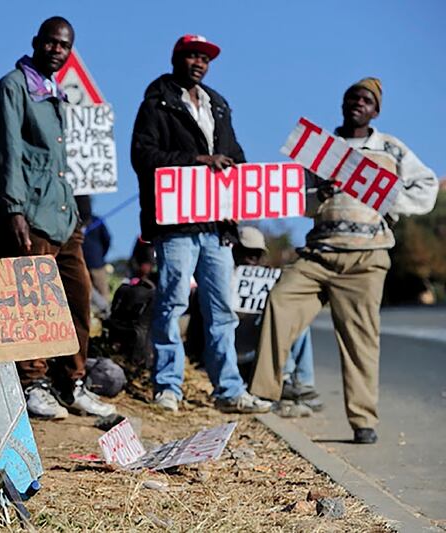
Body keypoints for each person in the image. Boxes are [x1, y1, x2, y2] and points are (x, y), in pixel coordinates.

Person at [251, 78, 439, 444]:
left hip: (366, 258)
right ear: (342, 104)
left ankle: (363, 420)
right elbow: (301, 203)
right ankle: (263, 395)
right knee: (279, 303)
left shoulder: (390, 148)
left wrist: (387, 198)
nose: (358, 103)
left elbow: (427, 186)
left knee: (360, 338)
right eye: (352, 98)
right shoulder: (323, 151)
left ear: (376, 110)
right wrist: (317, 194)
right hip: (319, 254)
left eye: (366, 100)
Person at [0, 16, 115, 419]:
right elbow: (4, 153)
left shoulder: (55, 95)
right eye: (52, 43)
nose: (58, 50)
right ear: (37, 42)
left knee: (77, 298)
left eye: (65, 46)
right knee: (31, 304)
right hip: (31, 215)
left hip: (63, 217)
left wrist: (77, 214)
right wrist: (14, 210)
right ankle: (31, 384)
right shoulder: (13, 87)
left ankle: (72, 383)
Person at [131, 34, 271, 414]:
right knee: (173, 302)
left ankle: (228, 389)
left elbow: (236, 156)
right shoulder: (157, 103)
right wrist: (197, 159)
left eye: (204, 58)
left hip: (216, 227)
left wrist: (234, 185)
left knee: (221, 307)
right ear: (177, 59)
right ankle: (169, 387)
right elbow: (144, 156)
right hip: (176, 226)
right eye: (192, 56)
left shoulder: (218, 106)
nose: (199, 63)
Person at [232, 226, 321, 415]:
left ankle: (302, 385)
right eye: (246, 252)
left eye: (256, 254)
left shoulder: (270, 279)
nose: (251, 259)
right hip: (236, 350)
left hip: (262, 351)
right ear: (235, 251)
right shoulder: (222, 278)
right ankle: (285, 383)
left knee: (297, 321)